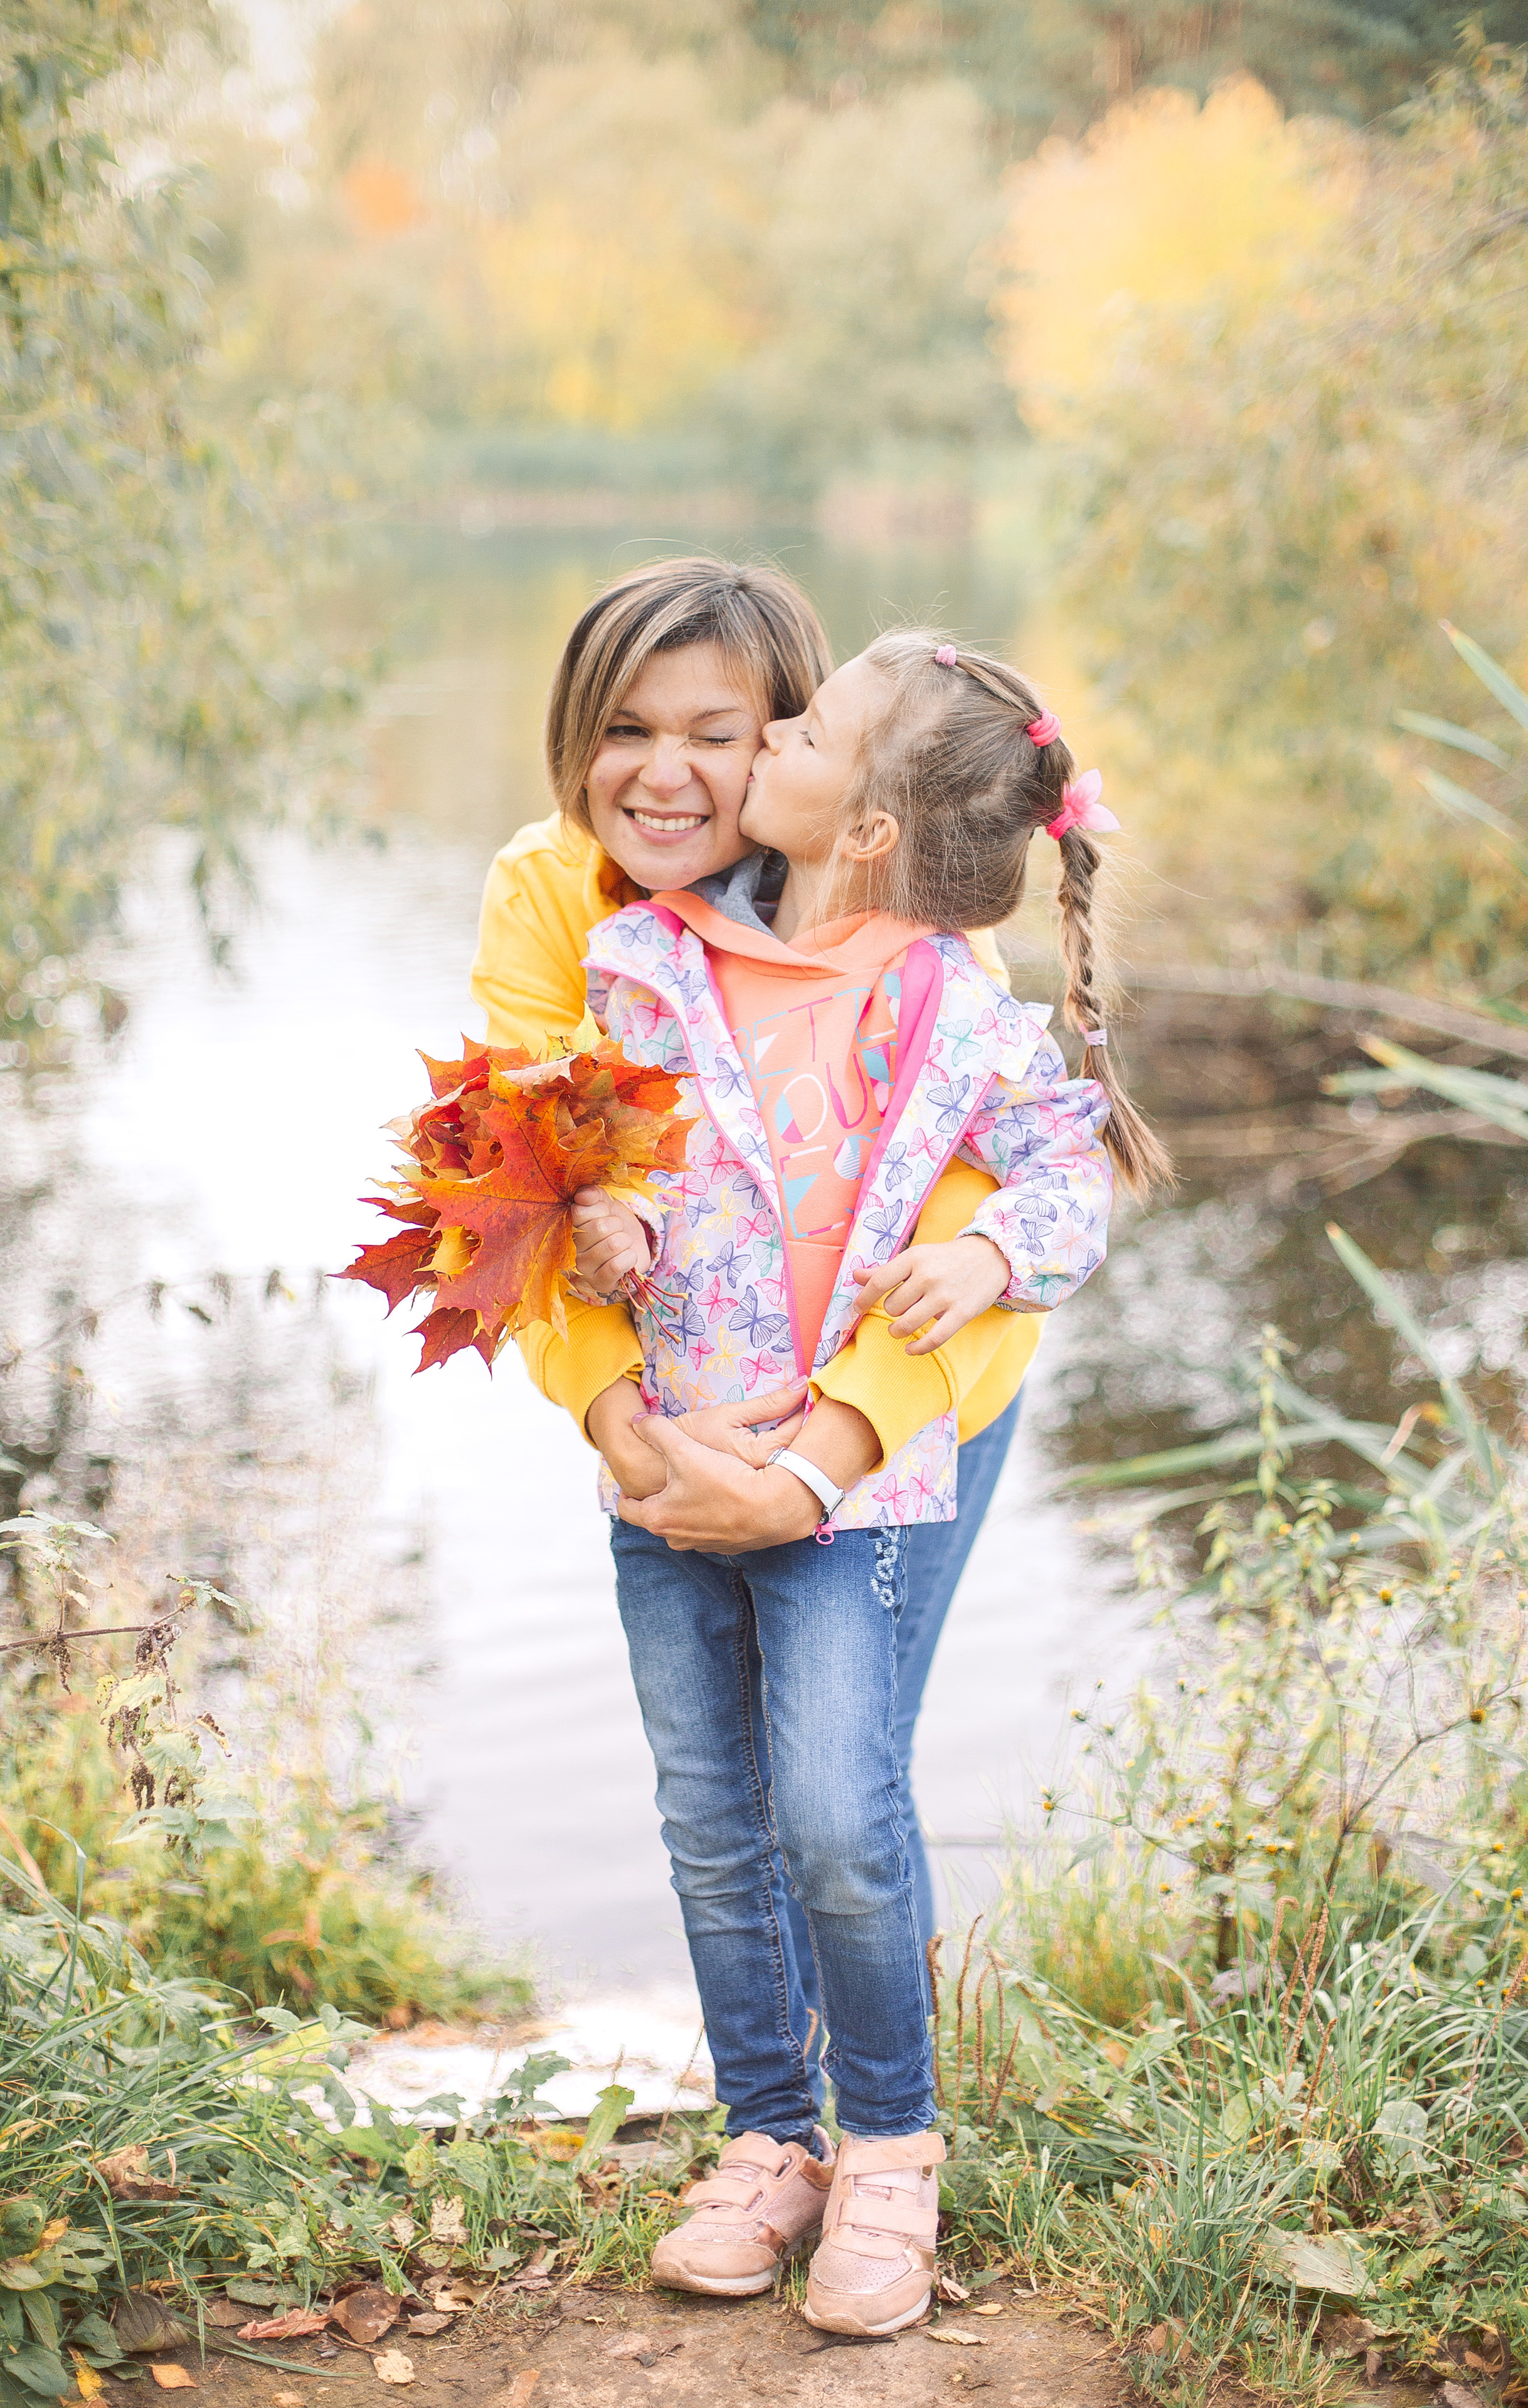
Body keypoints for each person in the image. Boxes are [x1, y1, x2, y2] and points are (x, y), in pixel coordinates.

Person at [568, 631, 1170, 2335]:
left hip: (861, 1496)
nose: (771, 732)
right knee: (711, 1823)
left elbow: (1071, 1172)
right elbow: (604, 1149)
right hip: (675, 1463)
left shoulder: (948, 1003)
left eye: (805, 729)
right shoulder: (645, 957)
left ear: (868, 826)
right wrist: (607, 1216)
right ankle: (768, 2140)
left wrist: (986, 1256)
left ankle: (890, 2151)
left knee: (837, 1818)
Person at [470, 558, 1037, 1965]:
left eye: (715, 735)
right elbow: (526, 1186)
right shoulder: (549, 892)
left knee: (842, 1786)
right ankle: (773, 2083)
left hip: (902, 1400)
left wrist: (816, 1468)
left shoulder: (902, 910)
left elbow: (982, 1241)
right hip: (688, 1398)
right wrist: (626, 1426)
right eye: (623, 728)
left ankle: (884, 2086)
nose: (660, 775)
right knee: (729, 1802)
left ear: (792, 746)